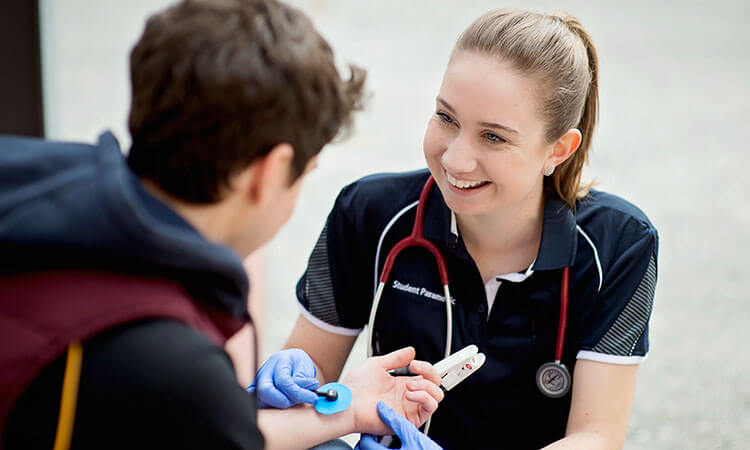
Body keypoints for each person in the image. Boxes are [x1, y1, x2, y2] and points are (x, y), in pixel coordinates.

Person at [0, 0, 444, 448]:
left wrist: (347, 409)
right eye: (303, 176)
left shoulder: (28, 179)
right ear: (269, 173)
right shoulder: (168, 364)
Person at [257, 8, 660, 450]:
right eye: (446, 118)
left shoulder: (620, 243)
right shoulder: (368, 212)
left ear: (558, 149)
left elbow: (596, 436)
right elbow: (309, 386)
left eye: (493, 137)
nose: (454, 160)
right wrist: (297, 384)